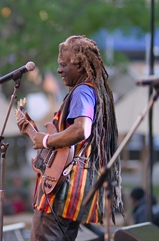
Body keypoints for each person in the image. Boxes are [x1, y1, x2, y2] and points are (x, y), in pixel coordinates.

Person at [17, 35, 124, 241]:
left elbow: (80, 130)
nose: (59, 70)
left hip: (59, 191)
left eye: (64, 65)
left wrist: (46, 141)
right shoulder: (94, 92)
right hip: (73, 194)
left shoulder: (82, 92)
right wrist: (33, 133)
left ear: (81, 66)